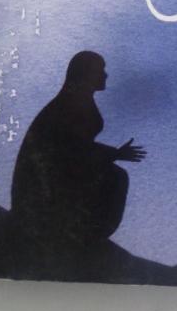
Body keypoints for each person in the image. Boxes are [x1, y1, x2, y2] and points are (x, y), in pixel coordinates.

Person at [11, 51, 145, 247]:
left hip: (60, 170)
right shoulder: (70, 104)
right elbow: (71, 148)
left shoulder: (79, 100)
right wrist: (114, 154)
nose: (105, 75)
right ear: (86, 74)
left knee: (114, 175)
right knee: (115, 177)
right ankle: (79, 235)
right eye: (100, 70)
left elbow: (77, 147)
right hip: (43, 183)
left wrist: (113, 154)